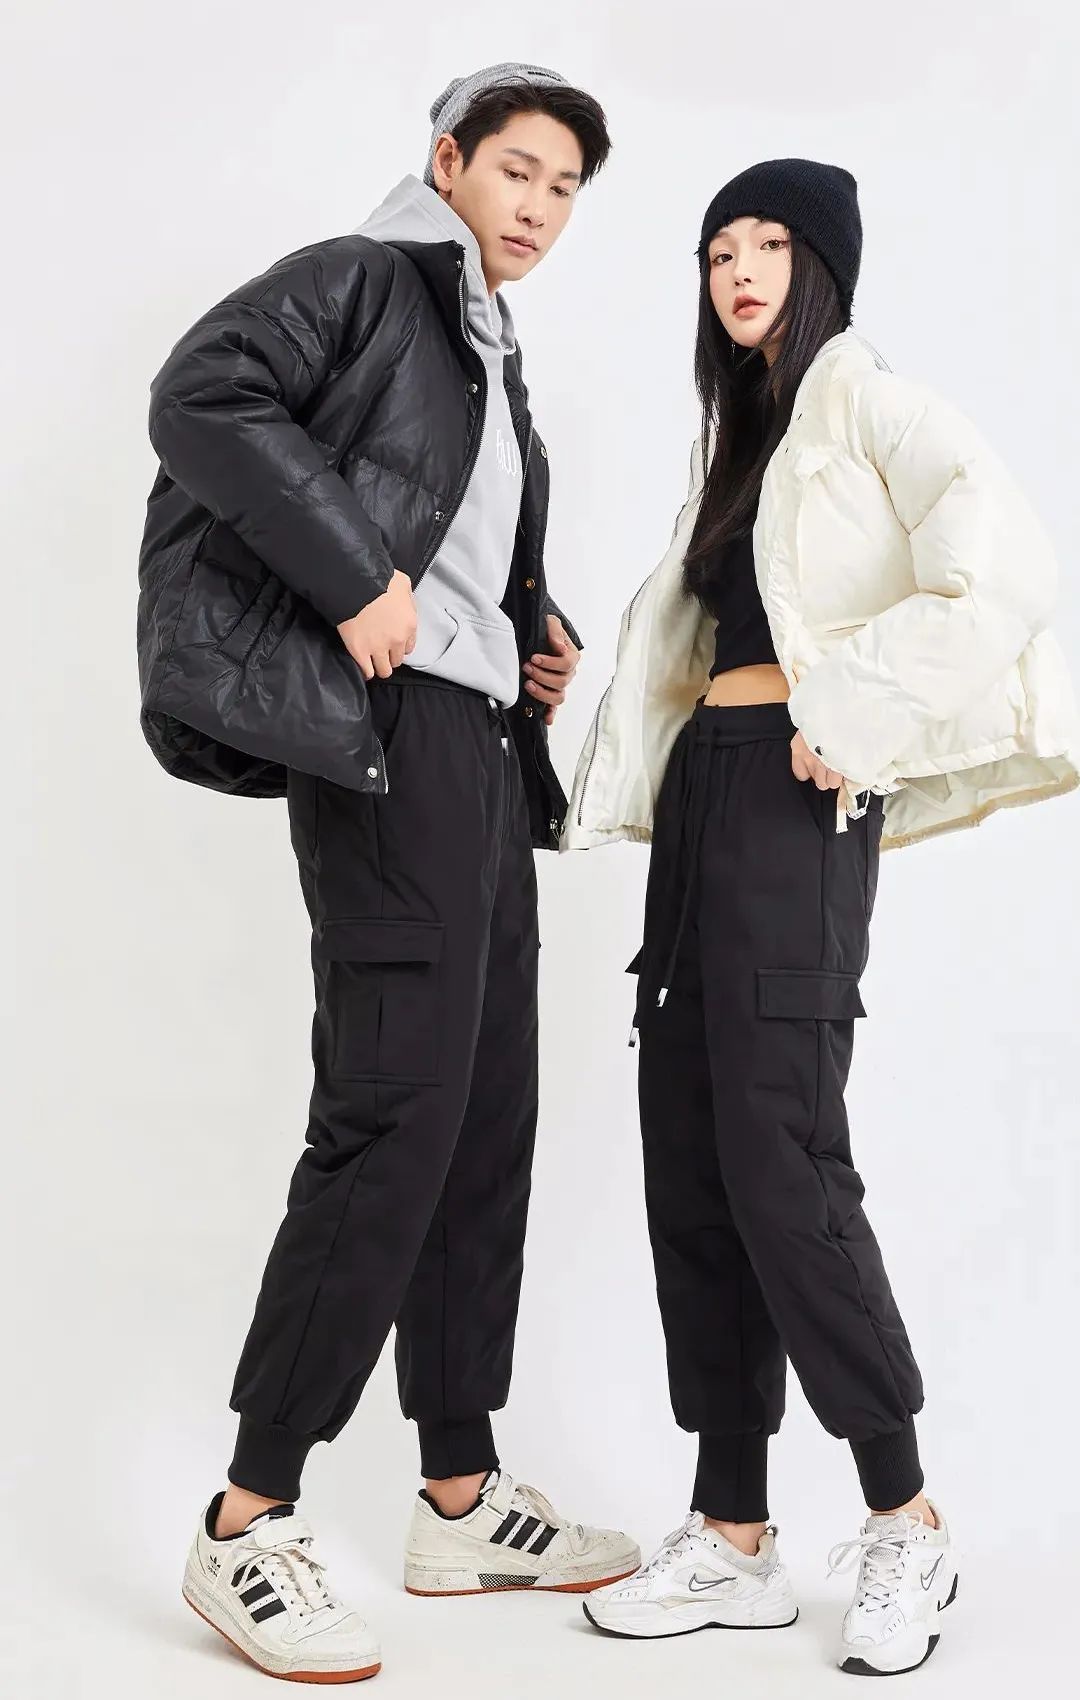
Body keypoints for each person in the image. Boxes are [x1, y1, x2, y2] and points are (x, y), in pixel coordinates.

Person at [138, 63, 640, 1685]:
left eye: (565, 188)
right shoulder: (365, 280)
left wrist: (530, 632)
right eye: (519, 170)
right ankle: (247, 1517)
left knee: (485, 1113)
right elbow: (200, 395)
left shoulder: (488, 343)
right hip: (388, 747)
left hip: (478, 747)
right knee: (393, 1114)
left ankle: (459, 1495)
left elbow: (458, 545)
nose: (540, 207)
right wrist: (358, 581)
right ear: (448, 160)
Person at [562, 158, 1080, 1676]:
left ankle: (906, 1516)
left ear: (823, 265)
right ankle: (732, 1533)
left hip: (799, 802)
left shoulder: (872, 404)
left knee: (781, 1154)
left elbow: (1003, 571)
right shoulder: (742, 440)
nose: (739, 268)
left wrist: (856, 712)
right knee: (693, 1151)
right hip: (710, 794)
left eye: (770, 242)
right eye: (718, 248)